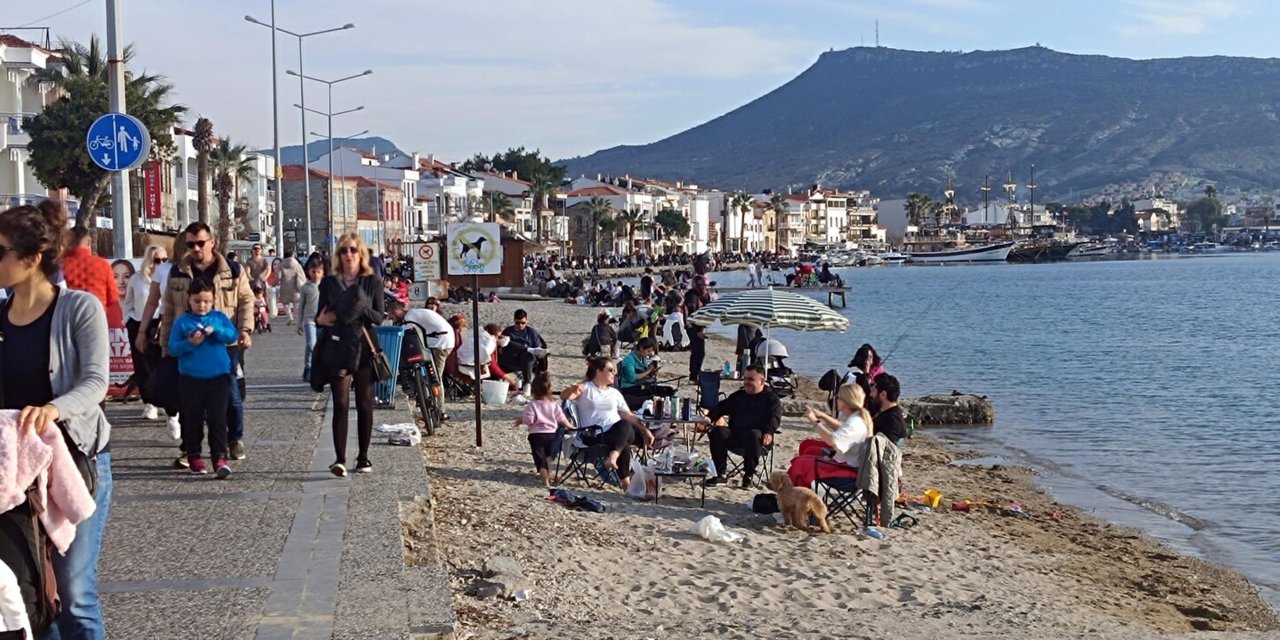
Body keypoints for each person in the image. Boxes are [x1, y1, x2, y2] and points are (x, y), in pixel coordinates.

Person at [0, 201, 113, 638]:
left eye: (1, 251)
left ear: (30, 260)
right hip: (16, 471)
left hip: (73, 461)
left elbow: (96, 382)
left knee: (74, 594)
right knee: (29, 593)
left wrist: (53, 408)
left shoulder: (79, 309)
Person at [161, 222, 254, 463]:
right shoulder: (178, 272)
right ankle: (190, 449)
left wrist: (244, 329)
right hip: (189, 346)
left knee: (231, 395)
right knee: (189, 402)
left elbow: (246, 300)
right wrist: (164, 345)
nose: (195, 248)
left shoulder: (232, 269)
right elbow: (169, 309)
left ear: (211, 242)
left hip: (226, 344)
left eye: (200, 243)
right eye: (190, 244)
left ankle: (233, 439)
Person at [315, 234, 385, 477]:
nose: (349, 255)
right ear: (338, 255)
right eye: (344, 250)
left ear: (361, 253)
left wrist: (361, 304)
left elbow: (379, 316)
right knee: (341, 403)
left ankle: (363, 457)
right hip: (338, 345)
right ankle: (340, 459)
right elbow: (320, 317)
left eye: (353, 250)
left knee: (365, 403)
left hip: (364, 345)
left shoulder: (372, 281)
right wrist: (319, 320)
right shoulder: (329, 283)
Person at [166, 278, 239, 478]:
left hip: (219, 377)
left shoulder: (218, 317)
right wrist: (190, 343)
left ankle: (219, 457)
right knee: (192, 419)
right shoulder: (182, 322)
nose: (202, 305)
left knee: (217, 419)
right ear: (189, 300)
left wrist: (216, 331)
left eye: (206, 301)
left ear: (213, 300)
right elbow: (173, 348)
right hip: (191, 378)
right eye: (197, 301)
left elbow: (232, 336)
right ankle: (194, 455)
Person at [560, 357, 652, 491]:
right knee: (624, 439)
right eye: (610, 370)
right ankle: (625, 482)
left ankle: (614, 458)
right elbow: (564, 397)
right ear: (598, 371)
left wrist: (645, 430)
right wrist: (574, 388)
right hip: (594, 435)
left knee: (625, 426)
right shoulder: (586, 389)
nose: (614, 373)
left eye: (614, 370)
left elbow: (628, 414)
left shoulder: (614, 393)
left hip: (616, 433)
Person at [134, 232, 187, 439]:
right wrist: (141, 331)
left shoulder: (201, 269)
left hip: (196, 329)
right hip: (169, 326)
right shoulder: (164, 271)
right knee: (170, 376)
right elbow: (152, 302)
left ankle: (189, 432)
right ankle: (172, 415)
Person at [703, 366, 781, 488]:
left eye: (750, 379)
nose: (746, 382)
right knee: (717, 431)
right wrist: (710, 417)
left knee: (753, 434)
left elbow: (774, 418)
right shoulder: (738, 396)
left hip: (759, 439)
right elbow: (721, 407)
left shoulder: (771, 399)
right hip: (736, 435)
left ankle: (748, 475)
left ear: (761, 381)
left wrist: (769, 432)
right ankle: (720, 474)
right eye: (745, 379)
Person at [786, 383, 874, 489]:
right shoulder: (858, 418)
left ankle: (794, 497)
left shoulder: (855, 423)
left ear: (846, 402)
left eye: (838, 397)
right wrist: (822, 415)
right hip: (847, 464)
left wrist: (814, 421)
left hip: (848, 470)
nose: (836, 399)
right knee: (805, 452)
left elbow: (832, 440)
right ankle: (799, 495)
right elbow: (841, 428)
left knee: (800, 464)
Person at [124, 244, 167, 420]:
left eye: (165, 260)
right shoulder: (137, 279)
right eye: (157, 260)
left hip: (160, 322)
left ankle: (164, 400)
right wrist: (128, 319)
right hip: (138, 322)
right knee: (142, 365)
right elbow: (128, 301)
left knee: (161, 364)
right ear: (149, 260)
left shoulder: (168, 277)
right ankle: (149, 403)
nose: (161, 263)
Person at [513, 372, 574, 488]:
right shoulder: (553, 405)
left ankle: (545, 482)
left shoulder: (532, 405)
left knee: (540, 459)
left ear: (533, 391)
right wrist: (571, 426)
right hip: (551, 434)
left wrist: (522, 420)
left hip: (536, 435)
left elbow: (529, 420)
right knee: (547, 456)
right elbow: (561, 418)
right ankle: (548, 474)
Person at [391, 298, 454, 381]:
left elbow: (403, 333)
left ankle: (436, 393)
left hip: (440, 342)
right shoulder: (415, 313)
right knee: (432, 374)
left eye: (392, 316)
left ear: (396, 311)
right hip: (443, 340)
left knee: (435, 377)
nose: (392, 319)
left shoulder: (410, 317)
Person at [61, 226, 116, 311]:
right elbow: (112, 298)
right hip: (97, 314)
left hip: (67, 315)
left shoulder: (60, 266)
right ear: (89, 242)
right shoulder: (102, 265)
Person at [499, 309, 548, 397]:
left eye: (523, 323)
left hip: (528, 361)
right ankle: (527, 350)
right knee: (510, 343)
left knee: (527, 355)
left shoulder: (531, 332)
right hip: (511, 359)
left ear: (527, 320)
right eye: (518, 323)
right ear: (514, 320)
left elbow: (538, 348)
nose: (520, 325)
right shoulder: (508, 332)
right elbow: (503, 346)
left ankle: (527, 384)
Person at [617, 338, 675, 408]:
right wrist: (648, 371)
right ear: (641, 348)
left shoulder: (643, 358)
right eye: (648, 351)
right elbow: (631, 378)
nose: (650, 354)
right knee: (657, 395)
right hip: (630, 388)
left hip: (642, 384)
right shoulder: (629, 359)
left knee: (668, 390)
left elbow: (644, 375)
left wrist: (651, 373)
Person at [296, 256, 325, 380]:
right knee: (311, 344)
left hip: (323, 321)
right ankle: (308, 367)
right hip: (309, 320)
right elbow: (301, 306)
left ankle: (321, 369)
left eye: (318, 272)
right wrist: (299, 323)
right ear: (309, 272)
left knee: (322, 346)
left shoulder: (326, 286)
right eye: (313, 271)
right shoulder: (305, 287)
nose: (316, 274)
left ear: (322, 272)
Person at [683, 276, 710, 381]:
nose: (704, 288)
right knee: (698, 351)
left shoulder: (703, 295)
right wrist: (699, 329)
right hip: (693, 326)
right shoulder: (691, 296)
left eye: (705, 286)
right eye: (702, 286)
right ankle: (694, 374)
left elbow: (707, 309)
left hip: (700, 325)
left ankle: (696, 372)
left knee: (700, 352)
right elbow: (693, 314)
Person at [868, 373, 908, 442]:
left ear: (883, 394)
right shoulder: (886, 413)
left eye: (873, 391)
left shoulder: (891, 421)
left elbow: (881, 449)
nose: (871, 394)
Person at [277, 251, 305, 325]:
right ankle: (296, 319)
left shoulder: (281, 265)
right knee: (296, 303)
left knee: (285, 303)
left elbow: (279, 276)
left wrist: (276, 283)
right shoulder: (297, 264)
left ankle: (289, 317)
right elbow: (301, 275)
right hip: (296, 286)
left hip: (285, 287)